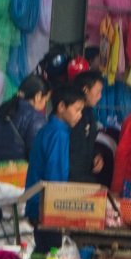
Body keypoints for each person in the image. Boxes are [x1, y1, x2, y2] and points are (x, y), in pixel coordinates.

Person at [25, 85, 86, 222]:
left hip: (38, 204)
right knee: (51, 244)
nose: (80, 115)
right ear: (61, 107)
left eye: (81, 111)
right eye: (77, 110)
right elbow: (55, 176)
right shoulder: (58, 134)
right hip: (45, 207)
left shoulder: (49, 130)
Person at [0, 76, 49, 167]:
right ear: (38, 96)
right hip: (23, 176)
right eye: (45, 101)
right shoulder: (36, 118)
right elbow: (38, 155)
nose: (44, 105)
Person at [65, 71, 106, 183]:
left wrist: (96, 154)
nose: (100, 96)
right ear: (85, 90)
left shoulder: (89, 114)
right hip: (69, 180)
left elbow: (88, 142)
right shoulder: (70, 117)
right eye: (98, 92)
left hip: (84, 177)